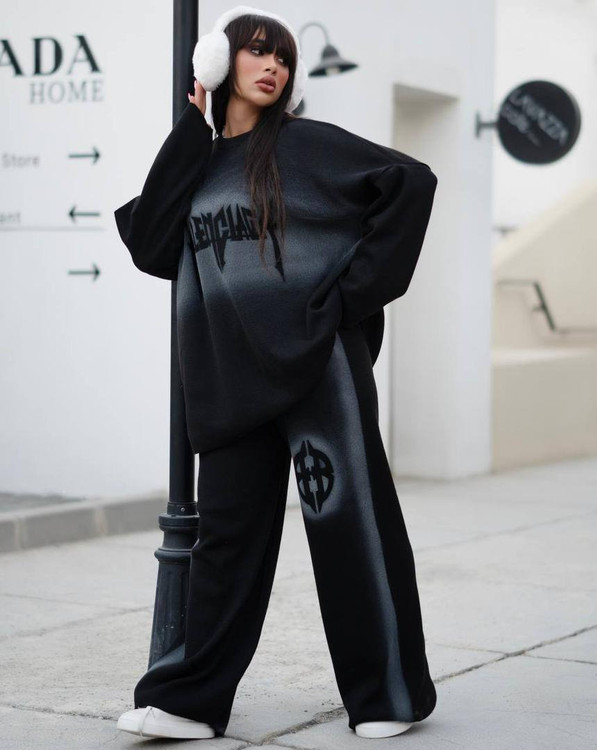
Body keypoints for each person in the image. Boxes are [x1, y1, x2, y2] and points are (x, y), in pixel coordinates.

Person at [114, 4, 439, 742]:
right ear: (219, 63)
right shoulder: (198, 166)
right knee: (226, 543)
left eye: (283, 57)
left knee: (350, 530)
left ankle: (388, 696)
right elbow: (152, 244)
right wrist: (193, 123)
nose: (272, 66)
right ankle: (190, 702)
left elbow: (410, 182)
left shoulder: (306, 145)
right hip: (233, 382)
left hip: (317, 368)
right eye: (256, 52)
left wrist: (347, 299)